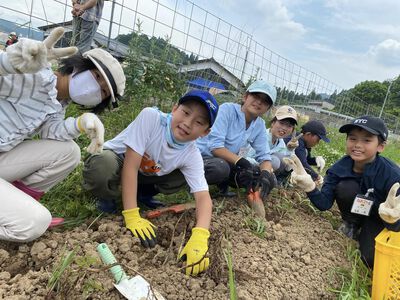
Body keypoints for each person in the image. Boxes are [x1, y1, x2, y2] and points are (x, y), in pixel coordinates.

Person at [0, 27, 126, 242]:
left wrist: (80, 123)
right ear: (78, 66)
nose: (96, 88)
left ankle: (17, 201)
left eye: (103, 92)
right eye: (96, 76)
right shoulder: (36, 76)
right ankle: (16, 211)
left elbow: (52, 131)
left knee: (69, 151)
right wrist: (9, 63)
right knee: (33, 223)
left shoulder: (59, 103)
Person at [82, 90, 219, 276]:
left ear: (205, 132)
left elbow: (203, 197)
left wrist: (201, 235)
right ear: (174, 108)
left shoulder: (192, 154)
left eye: (199, 122)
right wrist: (131, 215)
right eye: (186, 113)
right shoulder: (151, 118)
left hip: (145, 173)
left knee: (181, 176)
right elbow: (130, 166)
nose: (188, 123)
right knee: (102, 166)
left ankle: (141, 194)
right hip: (119, 162)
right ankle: (108, 196)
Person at [285, 116, 400, 267]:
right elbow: (324, 203)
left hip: (378, 219)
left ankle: (366, 231)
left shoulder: (392, 174)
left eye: (367, 140)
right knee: (347, 188)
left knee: (370, 259)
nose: (357, 145)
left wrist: (393, 220)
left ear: (381, 146)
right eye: (353, 139)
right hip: (356, 213)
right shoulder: (338, 169)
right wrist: (310, 187)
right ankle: (352, 224)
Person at [196, 80, 277, 218]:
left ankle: (227, 188)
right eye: (255, 96)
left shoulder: (259, 125)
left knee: (266, 177)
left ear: (268, 109)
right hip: (204, 157)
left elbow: (265, 156)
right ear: (245, 97)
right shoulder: (227, 110)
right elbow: (215, 147)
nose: (258, 102)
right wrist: (243, 163)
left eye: (264, 101)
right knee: (221, 168)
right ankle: (194, 185)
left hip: (228, 160)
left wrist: (265, 174)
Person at [246, 105, 299, 184]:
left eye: (289, 126)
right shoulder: (261, 137)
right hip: (247, 168)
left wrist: (290, 149)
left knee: (284, 158)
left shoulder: (280, 142)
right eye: (281, 123)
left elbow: (287, 165)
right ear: (273, 123)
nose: (284, 128)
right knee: (275, 161)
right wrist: (265, 165)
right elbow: (246, 157)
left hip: (263, 171)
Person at [284, 119, 330, 185]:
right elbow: (302, 163)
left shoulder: (305, 144)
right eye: (318, 139)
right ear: (308, 134)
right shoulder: (297, 142)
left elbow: (306, 160)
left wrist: (315, 160)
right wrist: (316, 177)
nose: (318, 143)